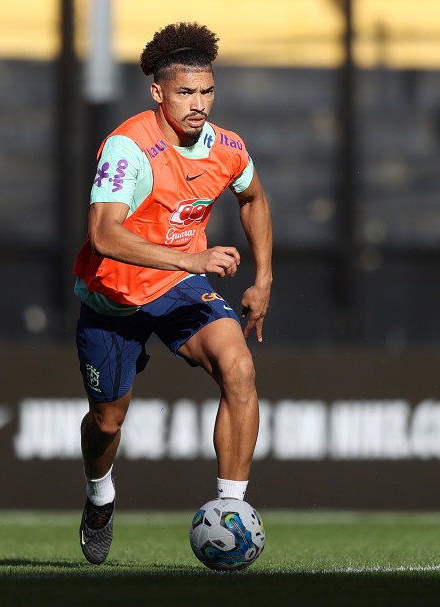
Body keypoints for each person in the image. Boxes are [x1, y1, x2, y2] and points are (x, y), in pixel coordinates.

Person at [72, 22, 273, 565]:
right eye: (186, 92)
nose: (199, 103)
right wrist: (193, 257)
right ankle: (99, 495)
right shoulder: (127, 147)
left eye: (207, 91)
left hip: (180, 287)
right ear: (158, 92)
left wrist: (263, 278)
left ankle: (231, 509)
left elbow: (252, 197)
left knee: (239, 366)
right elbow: (104, 234)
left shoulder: (227, 148)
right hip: (113, 298)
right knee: (107, 421)